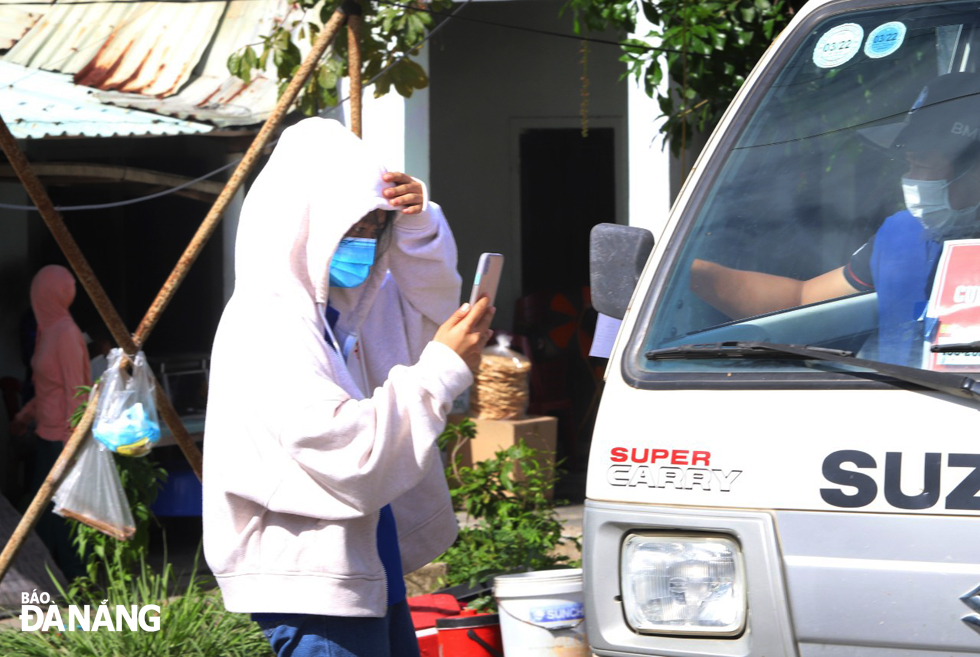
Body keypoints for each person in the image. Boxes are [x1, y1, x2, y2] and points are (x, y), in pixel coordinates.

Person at [202, 118, 494, 657]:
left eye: (373, 226)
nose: (362, 241)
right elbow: (343, 449)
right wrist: (441, 370)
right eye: (348, 226)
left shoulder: (338, 316)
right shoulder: (268, 323)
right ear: (303, 225)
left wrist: (415, 225)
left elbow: (426, 312)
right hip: (314, 588)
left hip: (363, 566)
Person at [690, 72, 980, 365]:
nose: (911, 181)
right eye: (909, 164)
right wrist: (695, 274)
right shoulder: (901, 235)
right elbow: (802, 300)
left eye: (923, 165)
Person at [9, 264, 90, 579]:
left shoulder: (66, 334)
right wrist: (24, 416)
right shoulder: (48, 330)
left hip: (61, 441)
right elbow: (47, 387)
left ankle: (76, 582)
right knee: (46, 514)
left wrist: (72, 442)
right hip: (46, 436)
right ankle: (53, 578)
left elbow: (76, 392)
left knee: (59, 515)